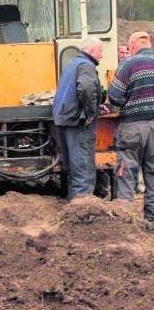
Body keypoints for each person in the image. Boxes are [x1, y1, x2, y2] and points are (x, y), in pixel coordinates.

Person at [53, 36, 108, 199]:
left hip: (65, 118)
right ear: (91, 51)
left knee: (73, 168)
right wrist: (91, 112)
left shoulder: (73, 64)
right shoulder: (86, 65)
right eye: (101, 51)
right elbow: (85, 88)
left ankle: (73, 205)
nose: (102, 55)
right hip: (78, 122)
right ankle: (82, 208)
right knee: (83, 168)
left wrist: (96, 105)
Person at [108, 30, 154, 223]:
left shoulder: (129, 63)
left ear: (134, 44)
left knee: (126, 173)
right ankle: (151, 221)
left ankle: (125, 222)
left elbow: (115, 95)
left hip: (132, 128)